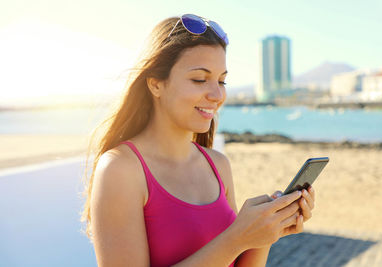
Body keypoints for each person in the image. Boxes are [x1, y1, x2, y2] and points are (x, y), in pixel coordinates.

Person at [80, 14, 315, 267]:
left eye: (222, 81)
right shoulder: (120, 169)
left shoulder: (218, 164)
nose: (217, 95)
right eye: (199, 79)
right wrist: (235, 239)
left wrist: (265, 233)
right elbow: (231, 245)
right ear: (156, 84)